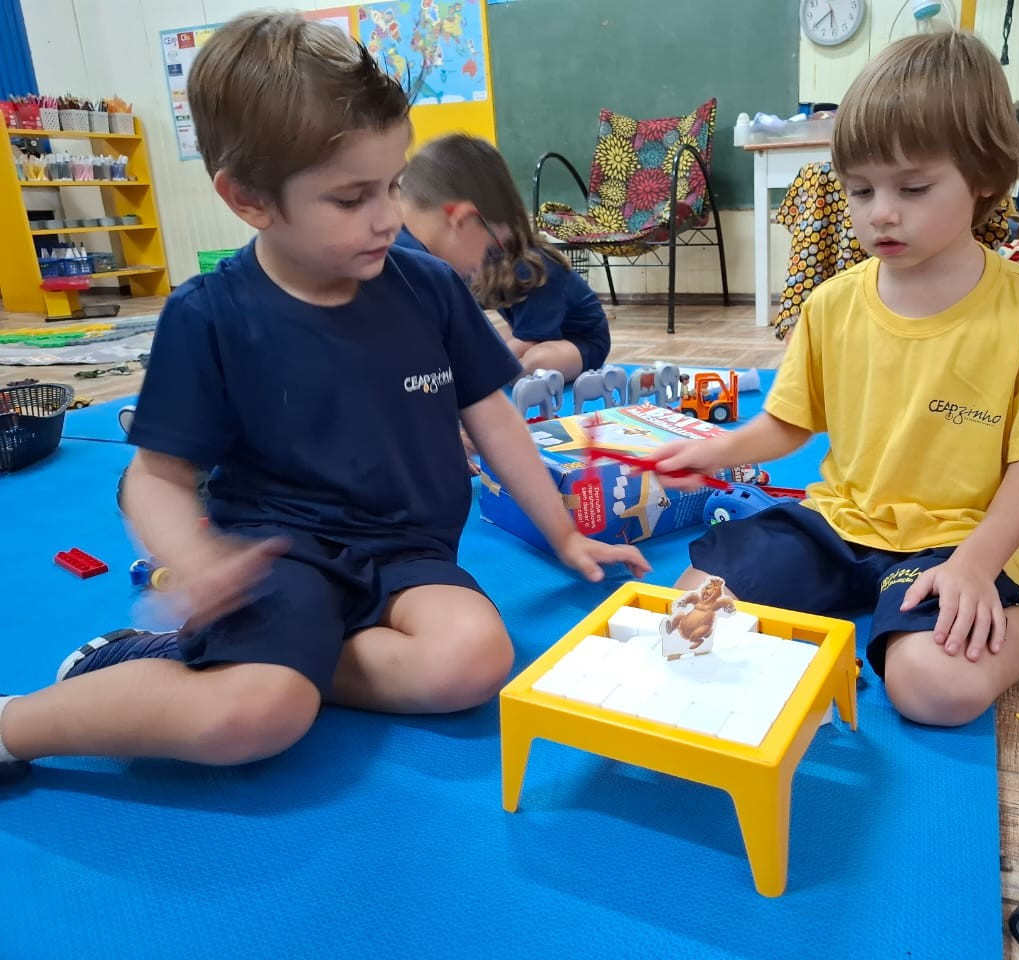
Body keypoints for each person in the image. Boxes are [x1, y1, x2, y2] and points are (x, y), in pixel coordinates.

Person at [0, 12, 648, 785]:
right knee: (254, 717)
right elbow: (155, 478)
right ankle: (18, 723)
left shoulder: (431, 289)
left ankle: (277, 663)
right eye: (350, 198)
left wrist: (564, 536)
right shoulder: (210, 315)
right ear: (250, 200)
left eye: (393, 185)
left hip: (408, 552)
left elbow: (495, 420)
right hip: (280, 554)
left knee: (475, 662)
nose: (388, 217)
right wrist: (194, 560)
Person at [651, 31, 1019, 728]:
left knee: (934, 690)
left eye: (912, 188)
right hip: (840, 523)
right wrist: (715, 449)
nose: (880, 211)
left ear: (984, 178)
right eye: (860, 189)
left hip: (959, 539)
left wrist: (976, 563)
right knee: (688, 619)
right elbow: (790, 421)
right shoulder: (831, 303)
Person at [396, 134, 610, 384]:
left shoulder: (534, 269)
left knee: (532, 361)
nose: (482, 261)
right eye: (492, 245)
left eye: (494, 247)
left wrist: (480, 365)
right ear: (462, 220)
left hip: (576, 340)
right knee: (492, 346)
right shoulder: (420, 257)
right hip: (534, 334)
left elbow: (530, 338)